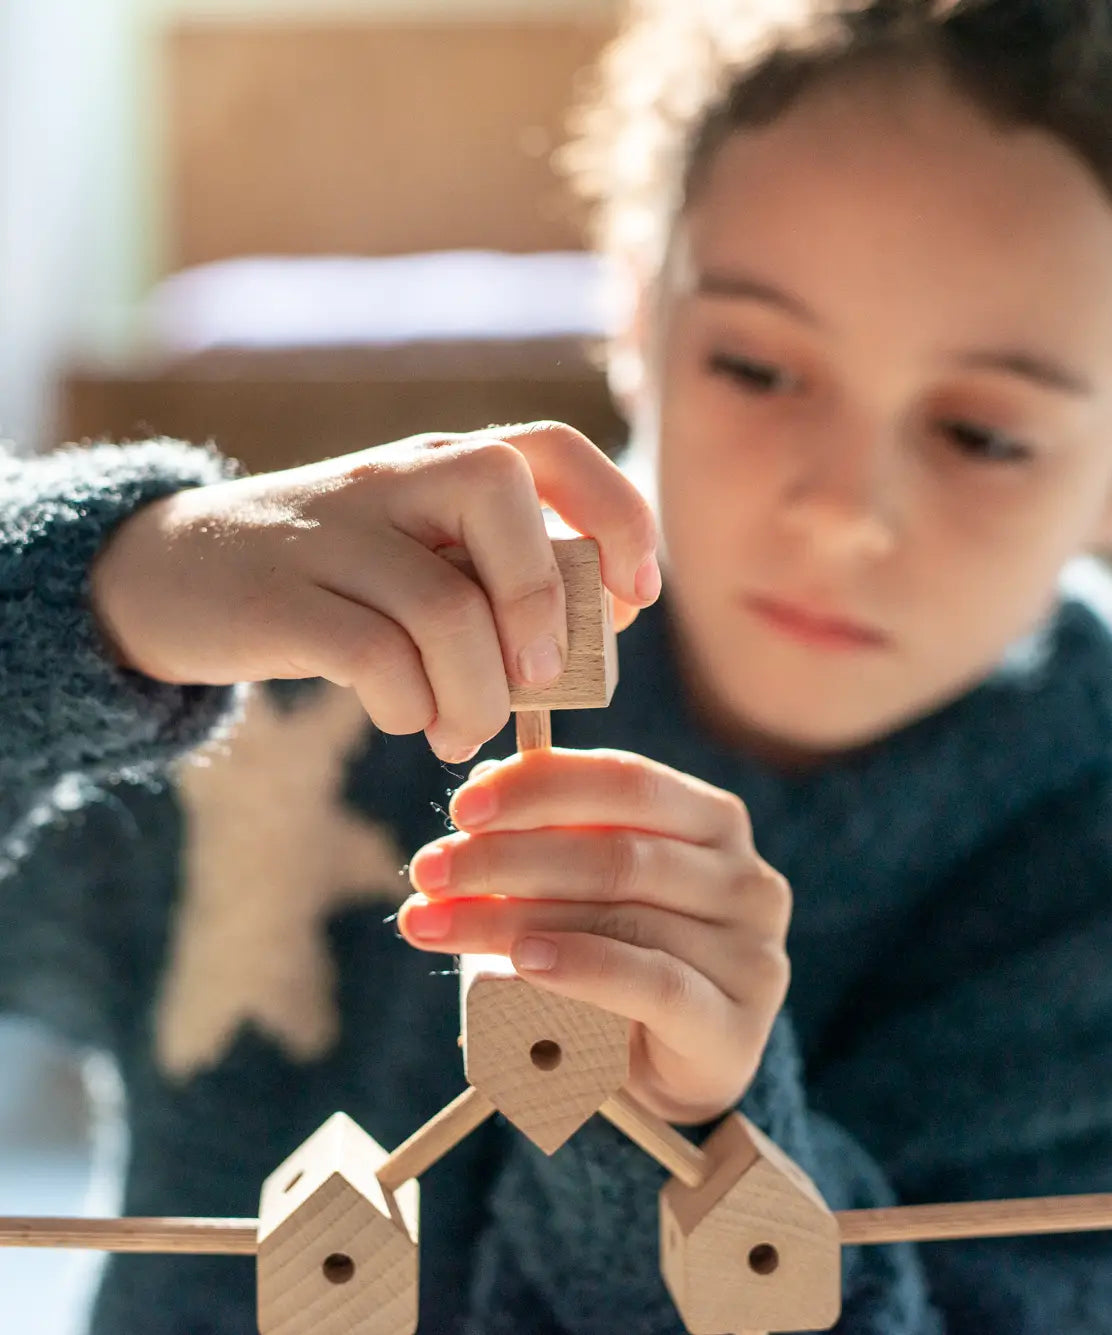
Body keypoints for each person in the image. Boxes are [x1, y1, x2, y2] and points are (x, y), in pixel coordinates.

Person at [4, 0, 1112, 1329]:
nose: (839, 509)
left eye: (984, 435)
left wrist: (682, 1143)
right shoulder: (304, 676)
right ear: (635, 314)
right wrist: (98, 597)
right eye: (758, 366)